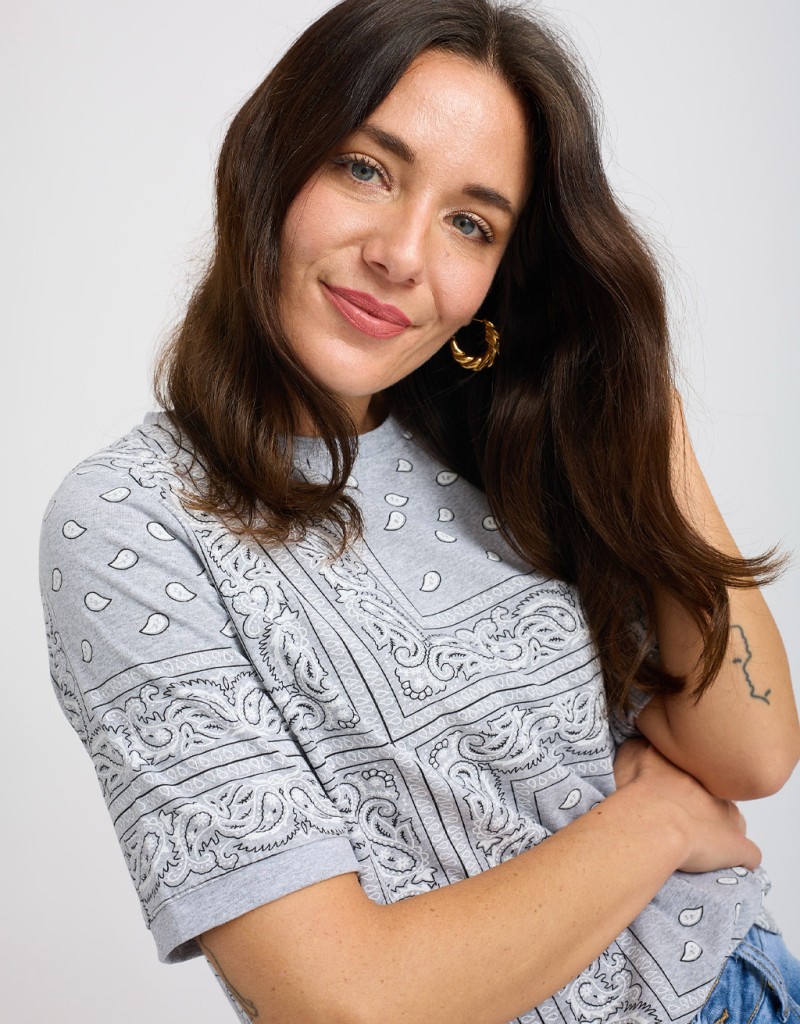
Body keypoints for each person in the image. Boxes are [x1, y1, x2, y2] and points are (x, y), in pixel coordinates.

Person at [38, 0, 800, 1022]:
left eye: (469, 223)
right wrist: (655, 823)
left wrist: (636, 396)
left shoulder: (496, 438)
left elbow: (750, 752)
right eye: (366, 169)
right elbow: (345, 1000)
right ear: (271, 162)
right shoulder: (133, 522)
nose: (402, 255)